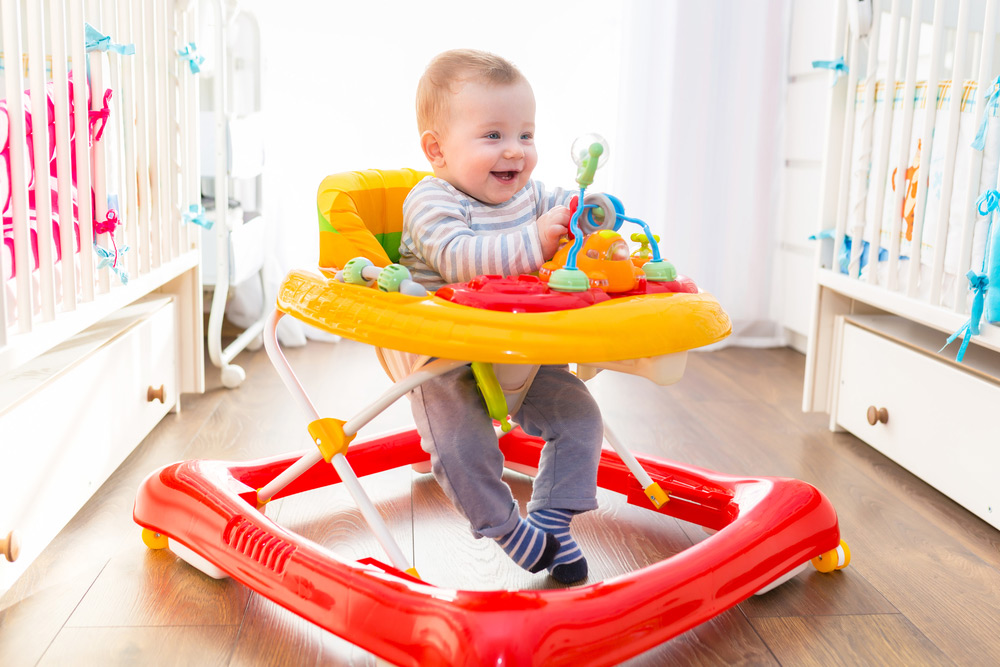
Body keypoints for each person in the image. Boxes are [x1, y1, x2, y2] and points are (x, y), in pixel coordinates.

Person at [397, 49, 604, 584]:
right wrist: (536, 240)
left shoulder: (530, 195)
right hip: (441, 353)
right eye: (493, 136)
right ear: (437, 150)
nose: (515, 150)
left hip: (518, 347)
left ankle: (554, 520)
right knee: (460, 441)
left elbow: (570, 204)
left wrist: (593, 211)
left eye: (526, 135)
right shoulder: (431, 200)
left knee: (579, 416)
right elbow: (459, 259)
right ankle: (507, 530)